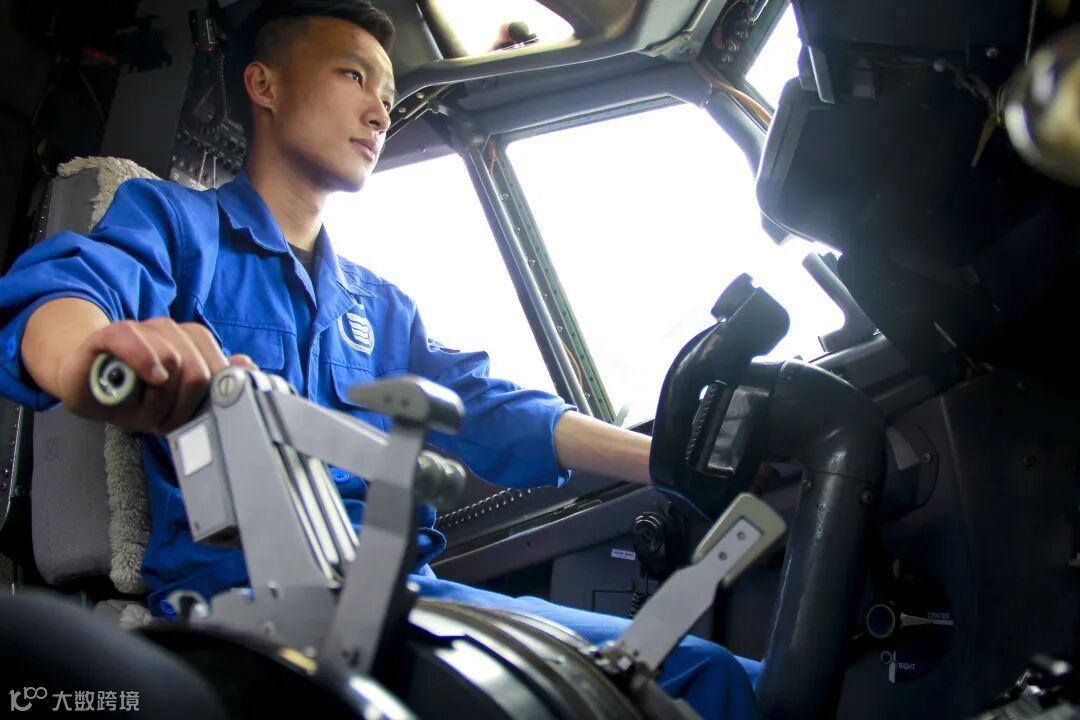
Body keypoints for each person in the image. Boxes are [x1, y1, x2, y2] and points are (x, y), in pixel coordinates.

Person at [0, 2, 760, 717]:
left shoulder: (378, 305)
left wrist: (666, 462)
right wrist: (96, 360)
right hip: (250, 613)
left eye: (389, 96)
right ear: (265, 85)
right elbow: (64, 294)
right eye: (353, 75)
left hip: (408, 600)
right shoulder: (177, 223)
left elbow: (490, 408)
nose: (380, 111)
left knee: (711, 673)